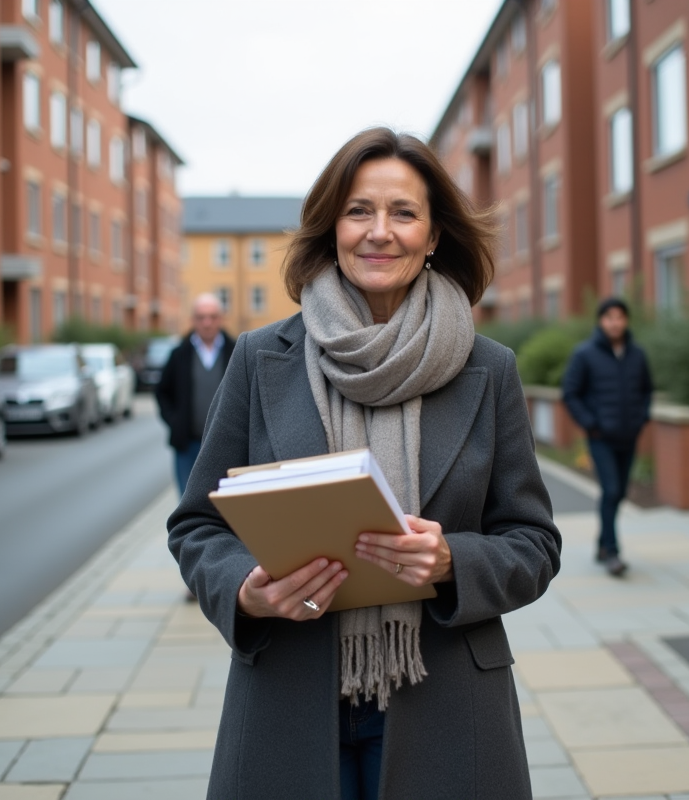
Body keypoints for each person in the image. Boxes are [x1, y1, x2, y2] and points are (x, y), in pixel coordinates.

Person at [167, 127, 561, 799]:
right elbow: (197, 527)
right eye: (359, 211)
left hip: (447, 700)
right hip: (290, 693)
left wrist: (452, 562)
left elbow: (534, 544)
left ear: (433, 235)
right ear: (333, 228)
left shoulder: (488, 368)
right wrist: (243, 588)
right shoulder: (262, 358)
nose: (380, 232)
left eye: (403, 212)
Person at [561, 297, 654, 577]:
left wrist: (642, 418)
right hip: (601, 437)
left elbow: (647, 390)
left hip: (629, 435)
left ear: (626, 321)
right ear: (601, 321)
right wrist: (591, 423)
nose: (615, 322)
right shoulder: (585, 354)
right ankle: (612, 552)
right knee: (612, 491)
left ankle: (602, 544)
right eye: (609, 317)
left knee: (619, 493)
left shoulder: (637, 354)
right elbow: (570, 393)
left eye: (620, 317)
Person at [155, 293, 236, 494]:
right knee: (188, 500)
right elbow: (162, 392)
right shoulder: (179, 354)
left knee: (224, 503)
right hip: (188, 445)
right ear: (193, 320)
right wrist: (175, 422)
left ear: (221, 319)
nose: (207, 323)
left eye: (212, 317)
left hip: (225, 445)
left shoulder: (236, 352)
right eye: (201, 317)